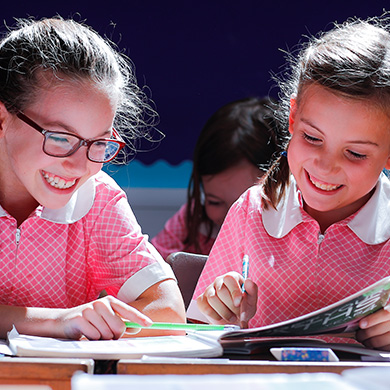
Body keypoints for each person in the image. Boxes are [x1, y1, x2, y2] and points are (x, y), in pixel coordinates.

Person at [188, 15, 390, 351]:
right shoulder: (252, 211)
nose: (326, 166)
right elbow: (195, 331)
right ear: (293, 120)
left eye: (355, 153)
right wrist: (218, 312)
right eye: (312, 138)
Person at [0, 16, 186, 340]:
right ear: (2, 118)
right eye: (59, 137)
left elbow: (168, 310)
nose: (78, 166)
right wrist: (58, 323)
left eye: (98, 143)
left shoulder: (96, 199)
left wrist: (98, 326)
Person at [152, 97, 282, 259]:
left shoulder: (293, 234)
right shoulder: (192, 222)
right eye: (215, 202)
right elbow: (150, 267)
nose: (231, 217)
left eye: (248, 203)